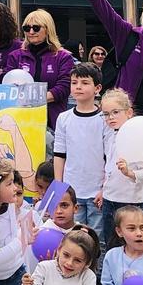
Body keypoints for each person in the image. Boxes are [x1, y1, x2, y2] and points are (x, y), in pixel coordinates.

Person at [53, 63, 107, 241]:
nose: (78, 87)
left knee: (97, 239)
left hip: (96, 191)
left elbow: (109, 156)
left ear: (97, 88)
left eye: (84, 83)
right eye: (74, 82)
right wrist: (59, 186)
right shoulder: (64, 118)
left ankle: (95, 270)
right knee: (72, 238)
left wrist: (104, 187)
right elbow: (60, 154)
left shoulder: (104, 119)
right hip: (72, 190)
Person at [97, 89, 143, 251]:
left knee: (134, 248)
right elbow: (109, 168)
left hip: (132, 202)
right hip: (110, 200)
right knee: (111, 246)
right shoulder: (110, 136)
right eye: (106, 114)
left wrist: (130, 173)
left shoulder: (137, 139)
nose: (110, 118)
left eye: (115, 112)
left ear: (128, 112)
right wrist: (104, 189)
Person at [5, 9, 76, 130]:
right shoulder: (15, 56)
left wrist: (33, 100)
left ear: (48, 29)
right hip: (21, 119)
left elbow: (64, 88)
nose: (31, 32)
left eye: (36, 28)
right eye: (27, 28)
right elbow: (8, 87)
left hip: (52, 120)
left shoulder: (63, 57)